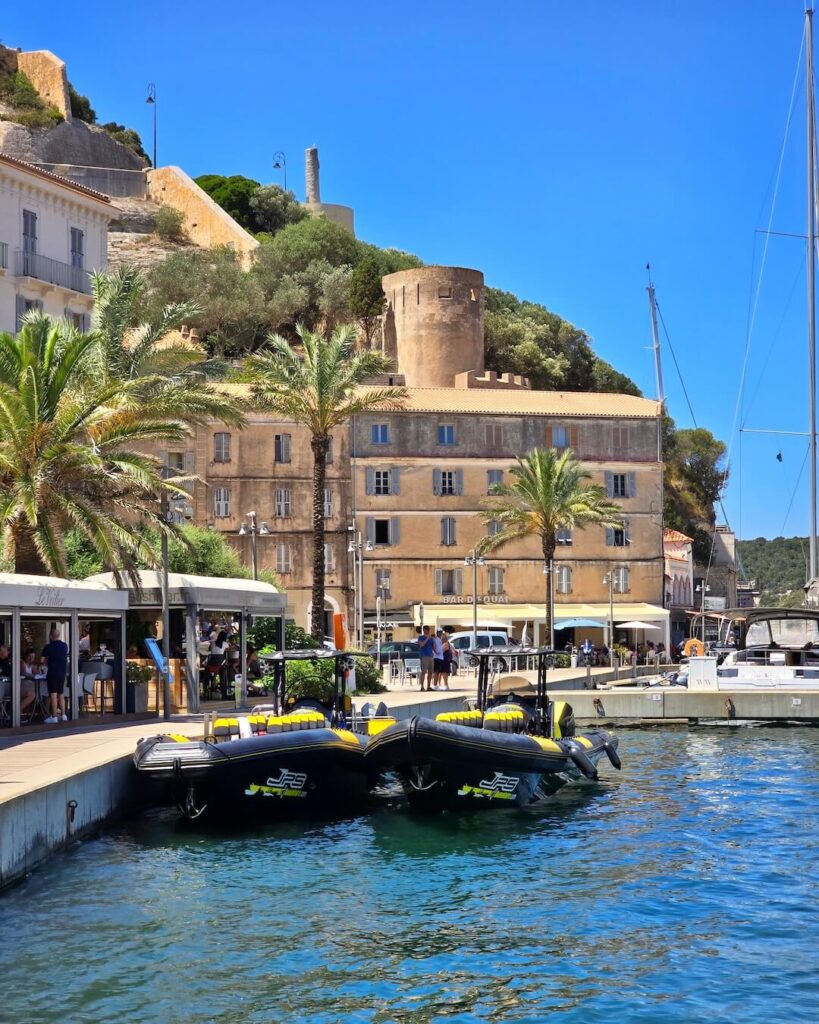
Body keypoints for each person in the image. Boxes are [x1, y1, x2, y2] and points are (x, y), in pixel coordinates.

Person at [41, 629, 69, 723]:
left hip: (52, 672)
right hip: (62, 672)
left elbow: (42, 661)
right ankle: (64, 715)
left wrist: (47, 661)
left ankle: (54, 716)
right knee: (61, 694)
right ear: (59, 635)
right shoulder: (65, 646)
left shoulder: (48, 647)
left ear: (50, 636)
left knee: (53, 694)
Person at [19, 648, 37, 717]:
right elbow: (24, 673)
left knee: (38, 693)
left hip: (29, 685)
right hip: (21, 685)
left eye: (33, 657)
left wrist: (37, 671)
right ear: (26, 656)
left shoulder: (32, 665)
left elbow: (37, 673)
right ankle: (17, 711)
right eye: (29, 656)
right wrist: (33, 675)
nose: (31, 658)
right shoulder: (22, 662)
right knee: (32, 694)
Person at [417, 626, 435, 691]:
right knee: (423, 672)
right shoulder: (420, 637)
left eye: (429, 629)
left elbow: (433, 647)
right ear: (424, 630)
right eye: (427, 629)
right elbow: (422, 645)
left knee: (430, 672)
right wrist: (427, 638)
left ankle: (428, 686)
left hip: (430, 656)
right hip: (424, 656)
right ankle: (422, 687)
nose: (428, 631)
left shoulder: (431, 638)